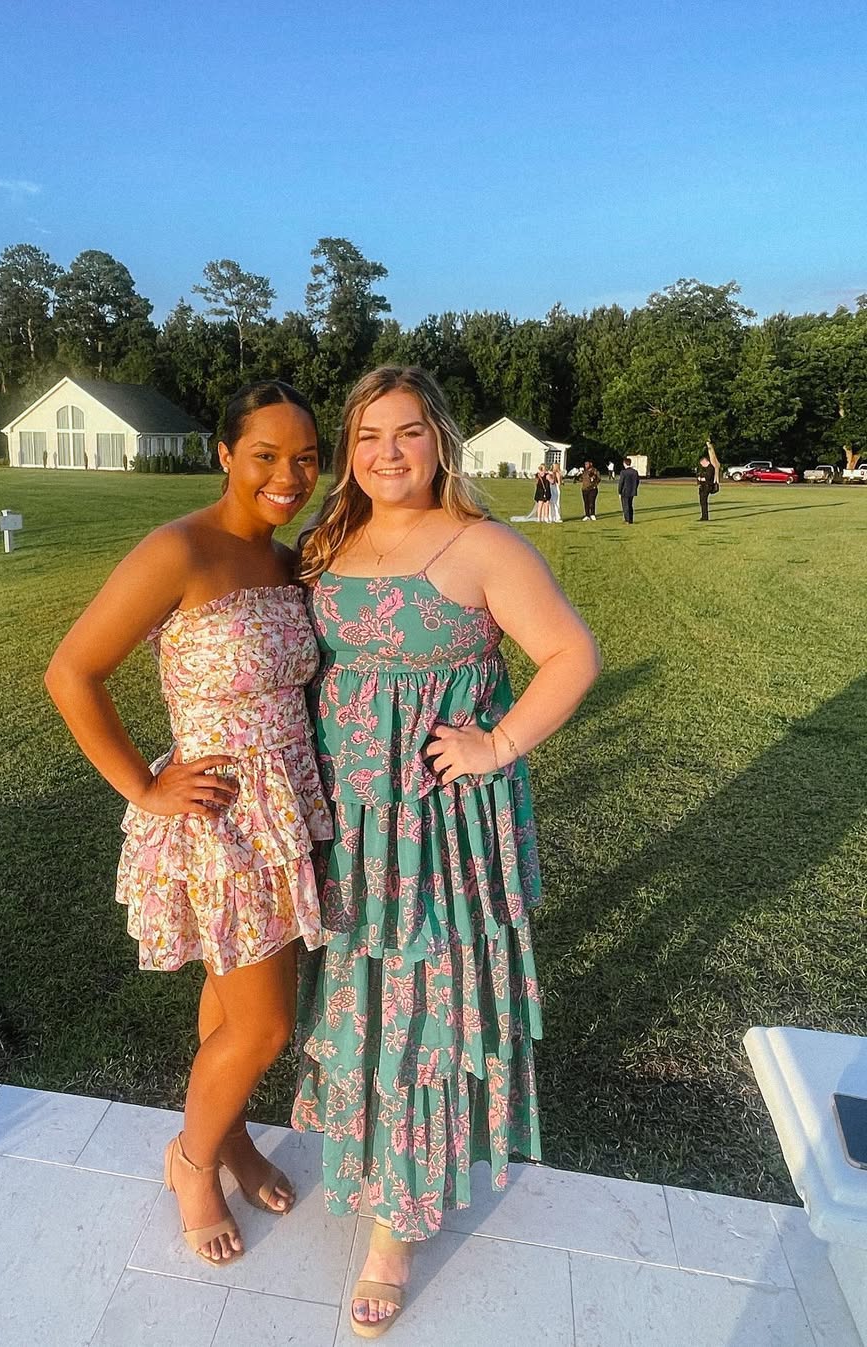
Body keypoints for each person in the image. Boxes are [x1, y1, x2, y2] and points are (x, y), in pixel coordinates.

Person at [292, 366, 601, 1336]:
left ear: (441, 443)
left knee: (422, 999)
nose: (388, 452)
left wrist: (495, 745)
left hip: (437, 826)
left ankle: (398, 1223)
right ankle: (362, 1149)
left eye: (409, 432)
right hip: (351, 820)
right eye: (368, 435)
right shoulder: (329, 540)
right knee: (359, 988)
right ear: (349, 450)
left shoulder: (483, 546)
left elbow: (573, 655)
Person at [44, 381, 331, 1267]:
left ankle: (231, 1135)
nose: (289, 476)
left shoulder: (289, 560)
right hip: (222, 820)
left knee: (231, 1004)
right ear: (225, 454)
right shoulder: (177, 549)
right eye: (266, 455)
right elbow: (71, 671)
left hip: (286, 811)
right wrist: (143, 784)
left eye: (306, 459)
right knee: (265, 1026)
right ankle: (192, 1162)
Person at [618, 455, 640, 523]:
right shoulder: (635, 472)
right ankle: (631, 519)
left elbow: (621, 483)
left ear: (624, 463)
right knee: (630, 505)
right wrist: (635, 488)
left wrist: (619, 491)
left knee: (625, 506)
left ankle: (627, 520)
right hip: (632, 491)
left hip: (625, 491)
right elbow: (637, 481)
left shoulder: (623, 472)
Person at [697, 451, 716, 520]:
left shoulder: (710, 468)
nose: (702, 465)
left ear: (705, 461)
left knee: (704, 502)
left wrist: (701, 479)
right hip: (703, 487)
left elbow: (708, 477)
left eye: (702, 464)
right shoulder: (704, 469)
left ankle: (705, 517)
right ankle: (704, 516)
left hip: (707, 486)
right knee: (702, 502)